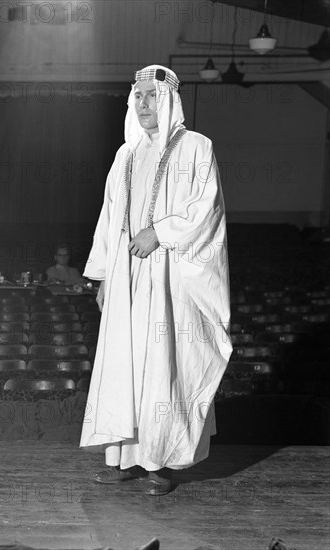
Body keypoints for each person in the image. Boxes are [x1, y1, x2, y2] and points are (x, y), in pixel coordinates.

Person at [80, 65, 233, 496]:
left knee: (163, 366)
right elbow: (109, 218)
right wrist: (106, 275)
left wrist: (159, 233)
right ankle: (125, 457)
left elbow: (207, 209)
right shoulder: (126, 154)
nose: (143, 104)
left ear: (168, 100)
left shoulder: (196, 148)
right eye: (138, 96)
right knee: (126, 367)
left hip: (171, 278)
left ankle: (161, 464)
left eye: (151, 95)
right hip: (129, 278)